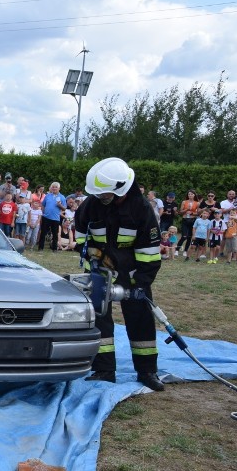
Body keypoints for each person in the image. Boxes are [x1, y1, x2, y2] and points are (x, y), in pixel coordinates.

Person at [75, 157, 164, 391]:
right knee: (99, 318)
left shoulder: (141, 209)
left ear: (120, 188)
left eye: (104, 194)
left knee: (141, 319)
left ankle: (147, 371)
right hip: (100, 270)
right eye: (98, 194)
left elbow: (150, 255)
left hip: (134, 272)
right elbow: (82, 238)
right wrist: (95, 260)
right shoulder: (91, 205)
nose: (100, 198)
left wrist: (139, 283)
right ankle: (104, 370)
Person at [38, 182, 66, 251]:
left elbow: (64, 208)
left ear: (59, 188)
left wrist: (60, 205)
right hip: (46, 217)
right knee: (43, 233)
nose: (54, 188)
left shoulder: (62, 197)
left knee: (55, 234)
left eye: (56, 187)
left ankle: (54, 249)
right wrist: (43, 212)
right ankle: (40, 248)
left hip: (55, 218)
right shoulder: (47, 196)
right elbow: (43, 205)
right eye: (53, 187)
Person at [177, 190, 199, 260]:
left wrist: (192, 213)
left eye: (191, 194)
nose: (190, 195)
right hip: (185, 220)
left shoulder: (197, 203)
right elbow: (180, 212)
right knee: (184, 236)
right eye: (189, 194)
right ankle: (177, 249)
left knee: (189, 237)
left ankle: (185, 250)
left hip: (192, 220)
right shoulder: (184, 202)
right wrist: (186, 210)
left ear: (194, 195)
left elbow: (198, 213)